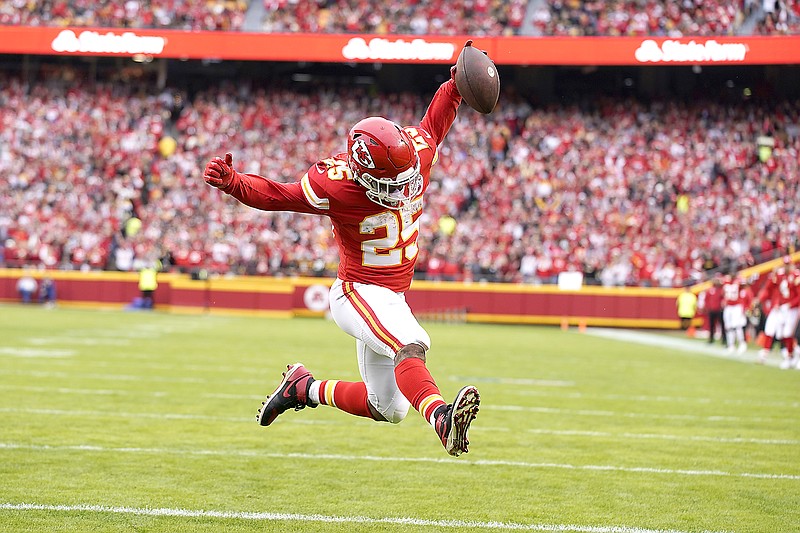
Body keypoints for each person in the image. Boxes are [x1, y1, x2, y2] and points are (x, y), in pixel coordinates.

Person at [202, 53, 481, 456]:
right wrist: (234, 182)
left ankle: (303, 387)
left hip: (393, 296)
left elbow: (435, 122)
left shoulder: (414, 154)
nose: (402, 190)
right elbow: (279, 195)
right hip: (358, 291)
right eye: (391, 182)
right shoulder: (336, 185)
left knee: (388, 407)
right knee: (411, 343)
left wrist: (455, 85)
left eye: (407, 179)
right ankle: (442, 419)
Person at [722, 276, 752, 354]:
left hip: (736, 306)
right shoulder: (725, 280)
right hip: (728, 306)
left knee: (737, 326)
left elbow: (745, 285)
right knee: (728, 326)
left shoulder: (738, 280)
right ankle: (731, 345)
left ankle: (742, 343)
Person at [698, 277, 724, 344]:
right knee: (711, 325)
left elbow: (723, 299)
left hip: (719, 309)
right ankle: (711, 339)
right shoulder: (710, 290)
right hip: (712, 310)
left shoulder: (721, 290)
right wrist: (707, 307)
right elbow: (706, 299)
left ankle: (724, 339)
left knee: (722, 325)